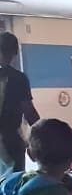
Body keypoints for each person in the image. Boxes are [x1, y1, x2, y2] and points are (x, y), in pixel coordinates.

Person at [0, 32, 39, 175]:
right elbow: (29, 111)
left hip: (9, 139)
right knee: (13, 185)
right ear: (15, 52)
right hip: (10, 141)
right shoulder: (18, 78)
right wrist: (44, 132)